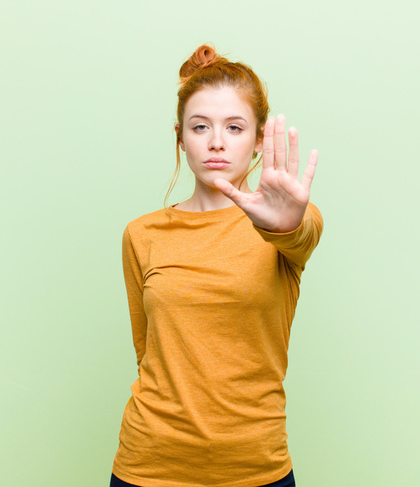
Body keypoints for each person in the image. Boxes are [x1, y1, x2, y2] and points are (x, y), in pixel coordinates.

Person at [110, 43, 323, 487]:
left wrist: (285, 225)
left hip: (255, 468)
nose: (217, 141)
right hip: (149, 465)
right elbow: (148, 354)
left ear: (260, 138)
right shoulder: (141, 234)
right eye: (200, 126)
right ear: (180, 137)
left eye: (235, 126)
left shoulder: (288, 226)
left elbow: (300, 236)